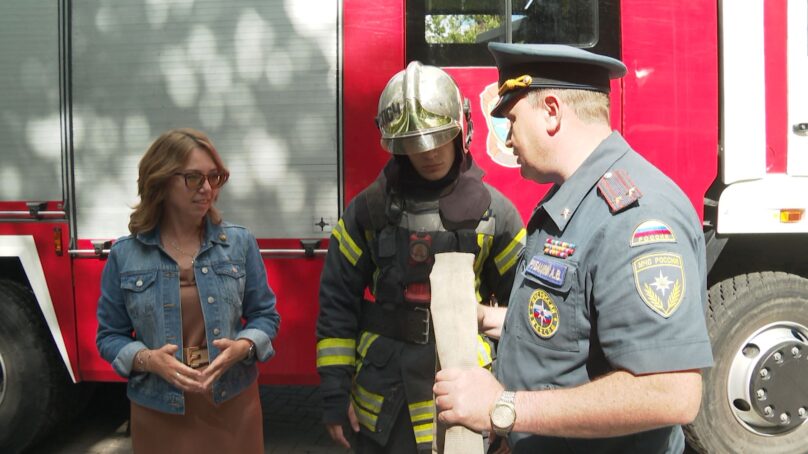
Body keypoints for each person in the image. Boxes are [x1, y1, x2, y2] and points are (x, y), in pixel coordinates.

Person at [433, 43, 714, 453]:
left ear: (551, 111)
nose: (507, 138)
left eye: (511, 119)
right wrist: (492, 319)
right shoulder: (574, 200)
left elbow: (669, 392)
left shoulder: (634, 218)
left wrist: (502, 406)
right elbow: (577, 321)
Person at [316, 61, 526, 453]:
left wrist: (510, 405)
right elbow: (336, 305)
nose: (427, 153)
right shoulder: (368, 211)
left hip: (466, 395)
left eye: (437, 139)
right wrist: (334, 394)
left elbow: (524, 316)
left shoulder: (496, 214)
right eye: (413, 143)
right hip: (383, 402)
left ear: (460, 130)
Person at [96, 128, 281, 454]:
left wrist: (244, 346)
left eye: (214, 177)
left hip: (233, 405)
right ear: (162, 182)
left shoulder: (239, 243)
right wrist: (148, 359)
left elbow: (266, 316)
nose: (207, 188)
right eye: (194, 178)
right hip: (158, 410)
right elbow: (109, 336)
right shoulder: (125, 255)